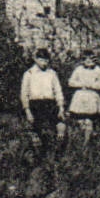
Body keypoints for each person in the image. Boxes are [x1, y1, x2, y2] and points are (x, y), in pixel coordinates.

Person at [19, 49, 67, 185]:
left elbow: (58, 91)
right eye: (41, 60)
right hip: (35, 104)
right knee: (36, 131)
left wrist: (61, 107)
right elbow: (24, 93)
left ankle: (57, 155)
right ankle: (38, 161)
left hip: (50, 103)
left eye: (46, 60)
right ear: (35, 59)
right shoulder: (29, 74)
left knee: (59, 126)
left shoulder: (52, 74)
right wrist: (27, 110)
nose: (44, 63)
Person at [67, 52, 100, 143]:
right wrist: (81, 84)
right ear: (83, 60)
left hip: (91, 96)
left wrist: (93, 85)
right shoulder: (79, 69)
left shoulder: (98, 70)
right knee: (80, 121)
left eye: (91, 59)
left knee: (89, 120)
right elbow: (71, 82)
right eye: (86, 59)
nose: (89, 61)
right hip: (80, 95)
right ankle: (80, 141)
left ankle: (87, 143)